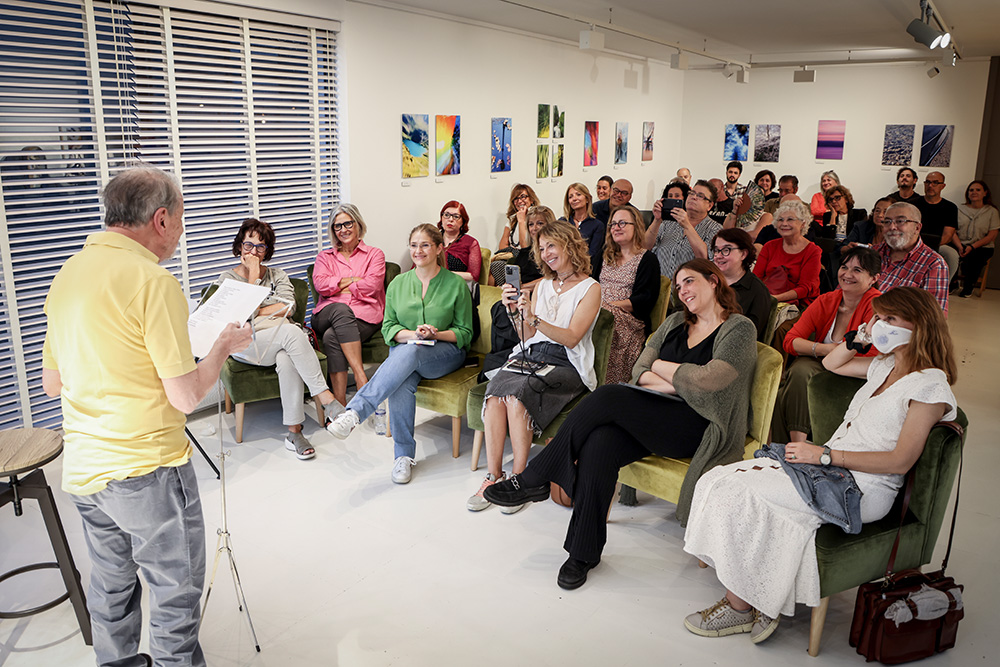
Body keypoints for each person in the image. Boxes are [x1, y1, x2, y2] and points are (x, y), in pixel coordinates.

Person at [42, 166, 253, 666]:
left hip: (86, 469)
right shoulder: (152, 282)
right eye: (180, 220)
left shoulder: (69, 272)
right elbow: (186, 397)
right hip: (147, 471)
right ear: (160, 219)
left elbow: (53, 383)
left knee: (111, 589)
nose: (180, 231)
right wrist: (220, 348)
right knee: (175, 597)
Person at [682, 286, 957, 644]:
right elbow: (831, 363)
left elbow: (900, 461)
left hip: (862, 488)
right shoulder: (885, 366)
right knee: (717, 478)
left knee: (737, 491)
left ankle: (739, 607)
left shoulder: (930, 386)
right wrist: (860, 336)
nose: (879, 325)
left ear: (919, 325)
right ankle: (762, 595)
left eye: (889, 319)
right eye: (877, 317)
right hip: (830, 469)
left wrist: (823, 455)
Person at [484, 259, 757, 590]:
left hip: (699, 424)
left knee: (609, 395)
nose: (682, 290)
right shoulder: (674, 322)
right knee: (600, 443)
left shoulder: (739, 328)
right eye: (678, 285)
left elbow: (711, 380)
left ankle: (536, 476)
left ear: (713, 281)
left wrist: (662, 369)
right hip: (656, 413)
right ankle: (583, 553)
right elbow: (640, 370)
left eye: (689, 281)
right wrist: (680, 381)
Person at [468, 219, 601, 514]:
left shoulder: (590, 288)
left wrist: (534, 319)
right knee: (495, 393)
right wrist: (515, 313)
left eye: (551, 246)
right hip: (532, 353)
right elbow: (527, 336)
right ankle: (493, 476)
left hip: (566, 361)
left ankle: (520, 480)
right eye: (541, 248)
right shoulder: (542, 285)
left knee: (518, 396)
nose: (546, 253)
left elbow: (572, 337)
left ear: (569, 245)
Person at [327, 224, 473, 484]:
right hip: (408, 351)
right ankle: (403, 457)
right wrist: (414, 334)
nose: (418, 251)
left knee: (410, 352)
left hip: (446, 353)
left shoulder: (455, 284)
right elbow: (389, 328)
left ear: (439, 248)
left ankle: (355, 412)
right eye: (414, 245)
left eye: (425, 245)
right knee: (402, 379)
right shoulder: (398, 283)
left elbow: (464, 332)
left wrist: (434, 334)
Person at [216, 218, 342, 459]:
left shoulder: (278, 275)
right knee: (292, 333)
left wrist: (257, 311)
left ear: (267, 251)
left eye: (260, 247)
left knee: (286, 356)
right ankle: (327, 399)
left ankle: (294, 433)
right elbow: (240, 318)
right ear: (240, 246)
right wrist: (254, 278)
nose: (253, 252)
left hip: (279, 339)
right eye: (248, 245)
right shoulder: (227, 280)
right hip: (246, 345)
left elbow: (289, 307)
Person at [771, 247, 882, 443]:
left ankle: (796, 446)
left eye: (857, 270)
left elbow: (871, 354)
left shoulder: (877, 306)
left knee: (801, 370)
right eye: (844, 267)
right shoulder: (827, 300)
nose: (847, 274)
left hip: (854, 374)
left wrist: (833, 358)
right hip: (823, 364)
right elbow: (790, 340)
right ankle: (785, 449)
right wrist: (825, 349)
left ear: (873, 278)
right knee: (779, 397)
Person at [311, 203, 386, 408]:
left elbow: (372, 285)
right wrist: (355, 280)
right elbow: (321, 285)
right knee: (341, 309)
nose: (343, 230)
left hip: (364, 316)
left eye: (348, 224)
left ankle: (339, 404)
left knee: (332, 337)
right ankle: (362, 378)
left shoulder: (375, 254)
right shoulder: (324, 257)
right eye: (338, 226)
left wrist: (338, 286)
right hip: (325, 314)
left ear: (358, 224)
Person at [596, 204, 660, 385]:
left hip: (628, 319)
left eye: (622, 223)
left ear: (636, 226)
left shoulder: (647, 259)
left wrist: (608, 306)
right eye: (613, 224)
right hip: (598, 311)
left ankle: (608, 385)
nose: (616, 227)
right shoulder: (604, 255)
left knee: (602, 315)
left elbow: (645, 299)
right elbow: (589, 284)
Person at [875, 202, 949, 314]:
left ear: (917, 228)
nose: (892, 227)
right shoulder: (872, 252)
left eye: (900, 221)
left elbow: (934, 317)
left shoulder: (934, 264)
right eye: (887, 222)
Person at [645, 179, 721, 279]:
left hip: (690, 286)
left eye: (700, 196)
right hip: (660, 284)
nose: (694, 197)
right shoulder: (669, 222)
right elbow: (645, 247)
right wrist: (657, 220)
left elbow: (704, 259)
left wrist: (687, 225)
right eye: (692, 193)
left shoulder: (714, 228)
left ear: (709, 206)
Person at [753, 200, 822, 308]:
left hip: (798, 304)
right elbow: (756, 278)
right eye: (780, 220)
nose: (784, 224)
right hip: (767, 298)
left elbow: (805, 288)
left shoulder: (813, 251)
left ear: (803, 223)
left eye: (790, 219)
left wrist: (774, 298)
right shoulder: (769, 246)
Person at [711, 228, 771, 341]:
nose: (718, 256)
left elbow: (750, 335)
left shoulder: (757, 291)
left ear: (743, 254)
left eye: (726, 250)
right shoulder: (707, 280)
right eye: (716, 250)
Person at [949, 180, 999, 297]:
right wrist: (960, 246)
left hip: (982, 246)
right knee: (950, 253)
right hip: (960, 243)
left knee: (975, 258)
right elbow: (952, 231)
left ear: (985, 193)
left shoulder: (992, 211)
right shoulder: (959, 209)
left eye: (978, 190)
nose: (974, 192)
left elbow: (992, 235)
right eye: (971, 190)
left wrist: (972, 247)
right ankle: (953, 283)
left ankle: (969, 286)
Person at [488, 184, 540, 285]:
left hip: (531, 258)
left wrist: (521, 220)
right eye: (516, 198)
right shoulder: (512, 220)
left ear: (531, 200)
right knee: (494, 265)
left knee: (498, 265)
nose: (519, 201)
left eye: (523, 197)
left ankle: (513, 289)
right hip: (513, 256)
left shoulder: (536, 219)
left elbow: (525, 246)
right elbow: (502, 245)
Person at [915, 171, 958, 273]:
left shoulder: (950, 207)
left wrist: (929, 247)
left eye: (935, 182)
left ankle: (945, 282)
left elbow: (948, 235)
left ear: (942, 186)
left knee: (951, 255)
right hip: (914, 243)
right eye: (928, 182)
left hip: (938, 244)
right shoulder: (913, 204)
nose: (930, 185)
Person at [560, 182, 605, 273]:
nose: (574, 199)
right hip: (562, 268)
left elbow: (592, 254)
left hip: (585, 271)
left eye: (578, 194)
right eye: (570, 197)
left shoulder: (597, 225)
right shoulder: (562, 222)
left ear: (587, 198)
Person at [438, 200, 482, 283]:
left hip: (457, 285)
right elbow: (417, 267)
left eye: (456, 216)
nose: (450, 219)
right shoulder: (432, 239)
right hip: (430, 284)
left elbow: (474, 276)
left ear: (463, 221)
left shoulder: (471, 243)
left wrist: (445, 275)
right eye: (446, 215)